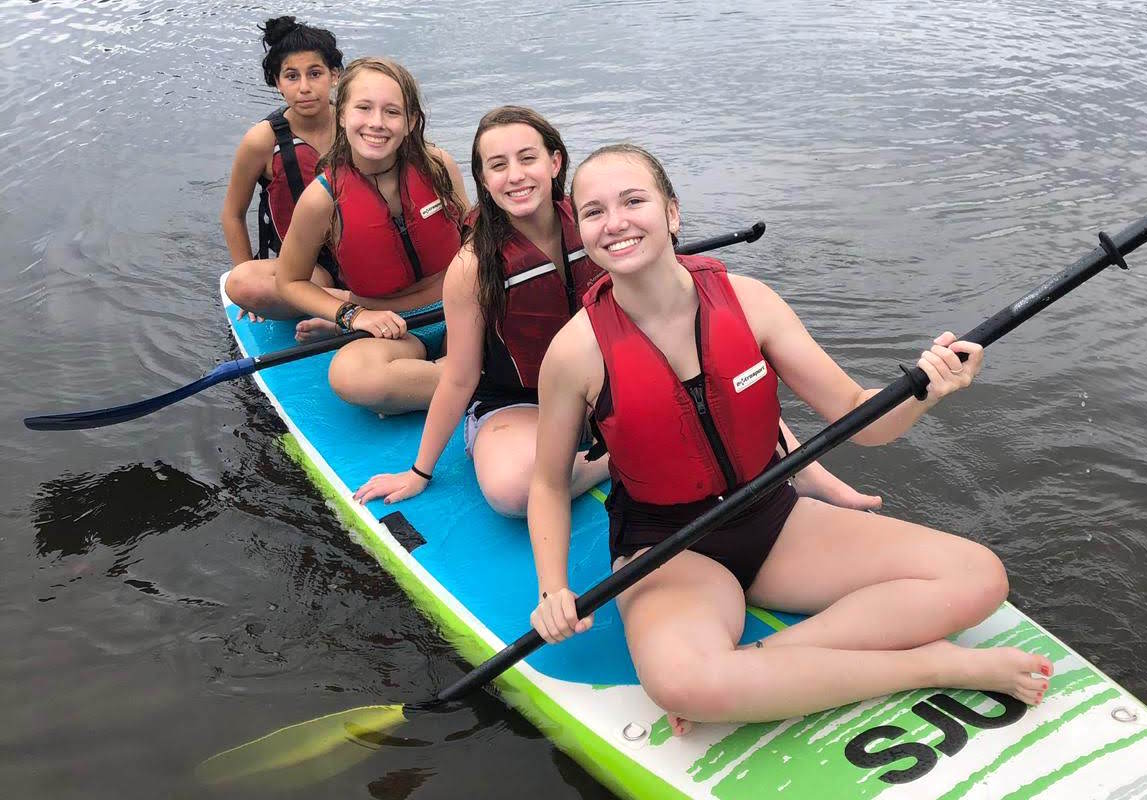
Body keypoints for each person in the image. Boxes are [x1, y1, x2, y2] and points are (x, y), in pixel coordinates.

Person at [527, 144, 1052, 737]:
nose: (615, 222)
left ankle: (767, 665)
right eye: (594, 211)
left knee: (980, 576)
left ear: (672, 212)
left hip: (775, 519)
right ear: (581, 230)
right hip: (667, 550)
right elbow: (548, 483)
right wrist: (553, 589)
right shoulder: (575, 352)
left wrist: (927, 391)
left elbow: (861, 417)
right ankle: (930, 665)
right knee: (679, 682)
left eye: (633, 201)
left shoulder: (750, 302)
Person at [353, 108, 877, 517]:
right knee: (514, 491)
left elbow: (681, 301)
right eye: (498, 165)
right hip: (520, 403)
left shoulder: (600, 224)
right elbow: (460, 376)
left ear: (555, 162)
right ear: (483, 180)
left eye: (528, 158)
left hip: (614, 382)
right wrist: (420, 472)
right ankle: (620, 460)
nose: (515, 176)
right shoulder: (473, 267)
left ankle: (807, 471)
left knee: (726, 363)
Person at [275, 57, 468, 414]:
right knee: (351, 376)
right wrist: (351, 316)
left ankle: (442, 377)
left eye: (392, 112)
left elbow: (472, 240)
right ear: (341, 115)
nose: (377, 123)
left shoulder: (438, 166)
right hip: (395, 330)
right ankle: (475, 378)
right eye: (363, 108)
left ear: (411, 122)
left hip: (463, 311)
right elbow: (290, 282)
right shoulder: (321, 198)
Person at [221, 16, 343, 321]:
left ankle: (342, 305)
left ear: (334, 76)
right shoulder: (261, 140)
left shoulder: (358, 123)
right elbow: (233, 214)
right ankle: (348, 303)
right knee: (242, 283)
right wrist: (251, 283)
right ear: (277, 83)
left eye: (315, 73)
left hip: (364, 252)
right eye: (291, 76)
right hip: (308, 271)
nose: (305, 87)